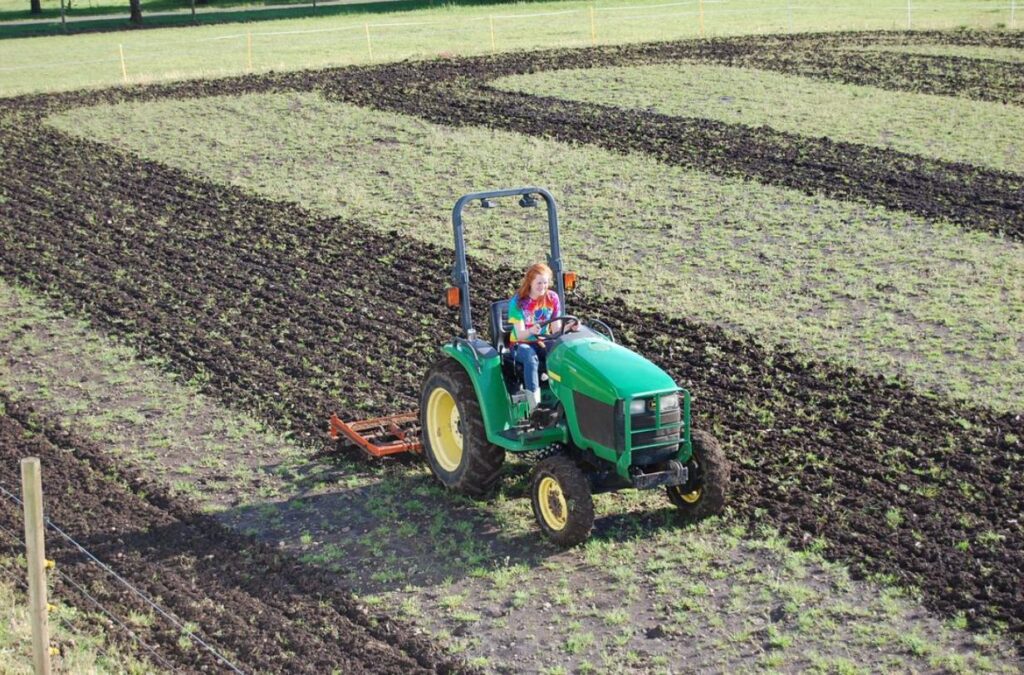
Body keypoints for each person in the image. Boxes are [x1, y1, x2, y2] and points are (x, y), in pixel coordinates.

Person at [508, 262, 575, 416]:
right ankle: (534, 407)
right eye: (539, 283)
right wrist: (531, 329)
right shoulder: (519, 302)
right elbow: (520, 334)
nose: (543, 286)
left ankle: (565, 399)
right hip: (520, 344)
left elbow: (556, 329)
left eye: (545, 283)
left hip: (542, 341)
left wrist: (569, 327)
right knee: (531, 359)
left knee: (562, 353)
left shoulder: (552, 298)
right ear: (530, 282)